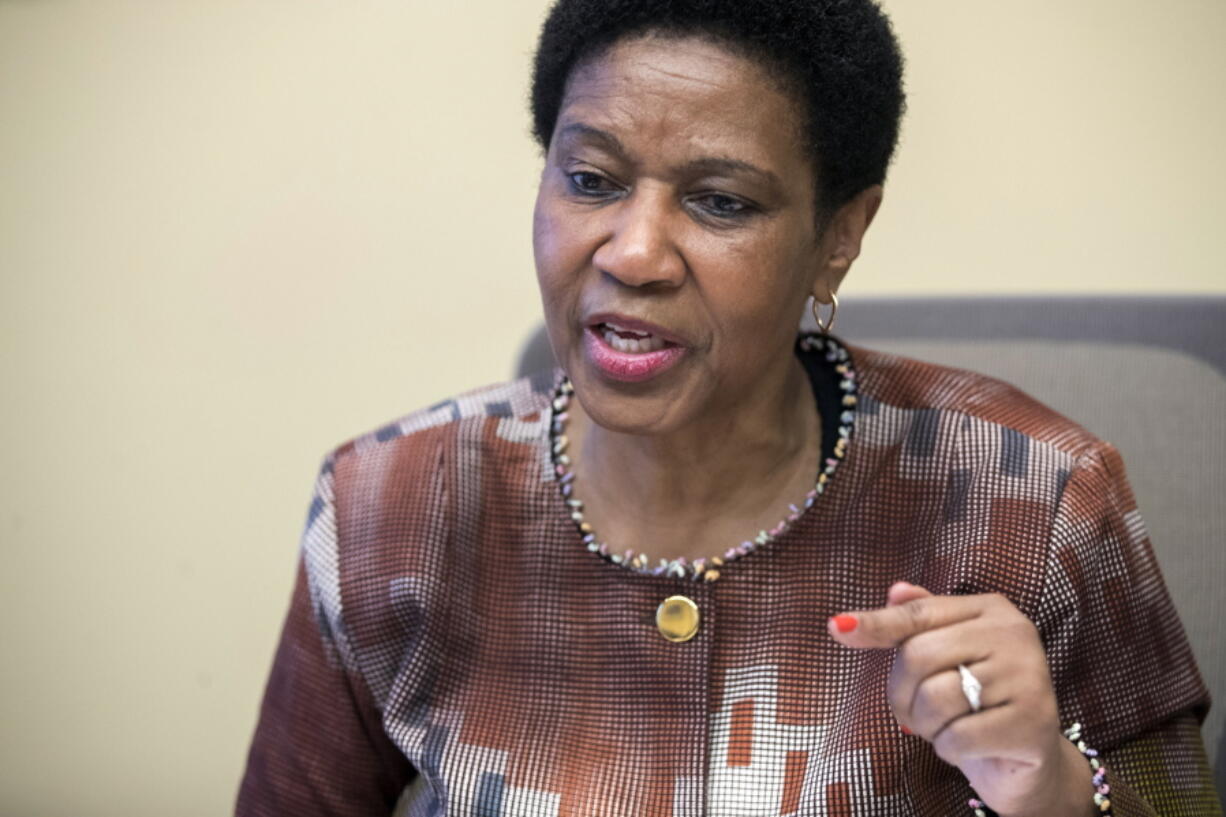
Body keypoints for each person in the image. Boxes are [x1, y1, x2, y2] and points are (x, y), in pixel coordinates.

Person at [236, 1, 1221, 815]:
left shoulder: (1029, 499)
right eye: (589, 180)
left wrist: (1043, 784)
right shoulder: (392, 508)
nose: (631, 253)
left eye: (720, 202)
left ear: (838, 233)